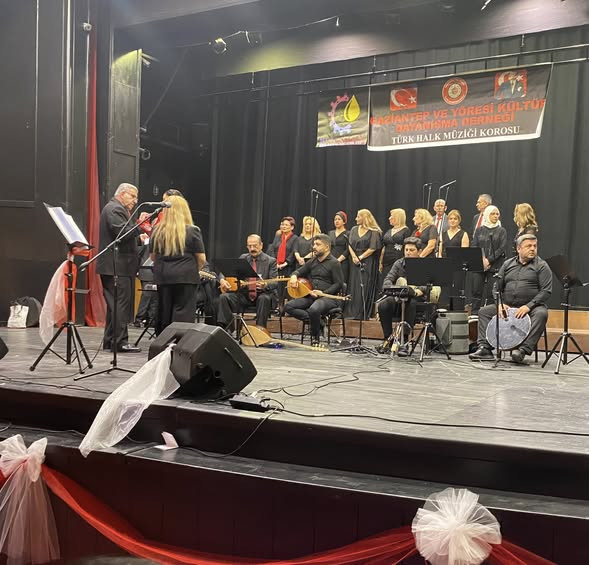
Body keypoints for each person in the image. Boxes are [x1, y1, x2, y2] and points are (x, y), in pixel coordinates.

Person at [470, 234, 551, 363]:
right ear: (519, 248)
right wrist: (500, 304)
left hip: (530, 307)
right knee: (484, 312)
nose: (532, 249)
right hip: (507, 306)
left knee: (541, 313)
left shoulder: (541, 266)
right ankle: (485, 348)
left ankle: (523, 350)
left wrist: (528, 306)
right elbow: (496, 287)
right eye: (528, 246)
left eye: (535, 246)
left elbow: (546, 291)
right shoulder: (508, 264)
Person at [96, 183, 143, 353]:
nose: (135, 201)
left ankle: (110, 340)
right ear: (122, 194)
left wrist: (138, 235)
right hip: (117, 266)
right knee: (120, 305)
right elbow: (122, 233)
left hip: (115, 266)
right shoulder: (115, 209)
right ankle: (120, 342)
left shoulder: (115, 208)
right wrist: (141, 225)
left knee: (114, 305)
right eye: (132, 196)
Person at [150, 196, 206, 334]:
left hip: (163, 276)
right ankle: (178, 341)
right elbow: (201, 258)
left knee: (165, 311)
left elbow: (153, 257)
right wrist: (195, 269)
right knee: (183, 312)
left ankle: (163, 339)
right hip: (186, 276)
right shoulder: (192, 231)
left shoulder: (156, 230)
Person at [285, 234, 344, 346]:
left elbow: (339, 284)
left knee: (314, 310)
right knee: (288, 306)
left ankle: (315, 338)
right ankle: (319, 323)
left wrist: (323, 293)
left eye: (318, 244)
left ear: (327, 247)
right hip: (311, 296)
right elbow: (298, 271)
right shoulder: (313, 261)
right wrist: (294, 276)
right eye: (314, 244)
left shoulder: (334, 263)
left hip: (328, 298)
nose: (314, 247)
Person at [376, 237, 427, 356]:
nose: (408, 252)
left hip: (415, 298)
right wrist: (391, 287)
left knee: (411, 303)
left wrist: (419, 290)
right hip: (399, 297)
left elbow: (427, 284)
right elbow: (388, 279)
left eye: (411, 250)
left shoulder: (424, 265)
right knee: (383, 305)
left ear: (419, 251)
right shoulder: (399, 263)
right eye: (406, 249)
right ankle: (388, 340)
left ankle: (404, 342)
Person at [217, 234, 277, 329]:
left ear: (261, 245)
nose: (252, 248)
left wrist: (265, 285)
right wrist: (222, 279)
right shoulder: (243, 258)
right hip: (244, 295)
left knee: (264, 299)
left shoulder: (271, 261)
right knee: (224, 297)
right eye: (249, 246)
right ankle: (227, 328)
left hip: (262, 295)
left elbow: (275, 282)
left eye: (255, 246)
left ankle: (260, 329)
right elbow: (225, 271)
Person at [346, 209, 382, 320]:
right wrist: (354, 256)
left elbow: (373, 248)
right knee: (354, 285)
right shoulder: (354, 229)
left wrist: (360, 257)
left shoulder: (374, 231)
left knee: (365, 285)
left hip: (367, 261)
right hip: (354, 260)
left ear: (364, 218)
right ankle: (352, 312)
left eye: (358, 217)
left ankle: (363, 312)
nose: (356, 219)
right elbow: (349, 245)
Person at [470, 205, 507, 312]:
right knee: (476, 290)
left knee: (492, 292)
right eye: (493, 214)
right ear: (487, 215)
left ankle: (490, 314)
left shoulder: (501, 231)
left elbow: (501, 248)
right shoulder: (479, 230)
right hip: (479, 264)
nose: (495, 216)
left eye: (497, 214)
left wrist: (489, 260)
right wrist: (482, 259)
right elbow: (475, 246)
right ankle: (474, 314)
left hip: (495, 265)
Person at [380, 208, 411, 279]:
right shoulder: (389, 231)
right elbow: (384, 246)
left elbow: (406, 247)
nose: (389, 218)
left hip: (398, 259)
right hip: (386, 260)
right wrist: (380, 262)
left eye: (391, 216)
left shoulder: (406, 231)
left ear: (398, 217)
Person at [328, 211, 350, 283]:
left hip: (342, 262)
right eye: (335, 219)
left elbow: (348, 249)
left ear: (344, 221)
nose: (336, 221)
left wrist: (338, 260)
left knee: (341, 282)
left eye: (339, 219)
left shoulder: (348, 233)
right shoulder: (330, 233)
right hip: (331, 261)